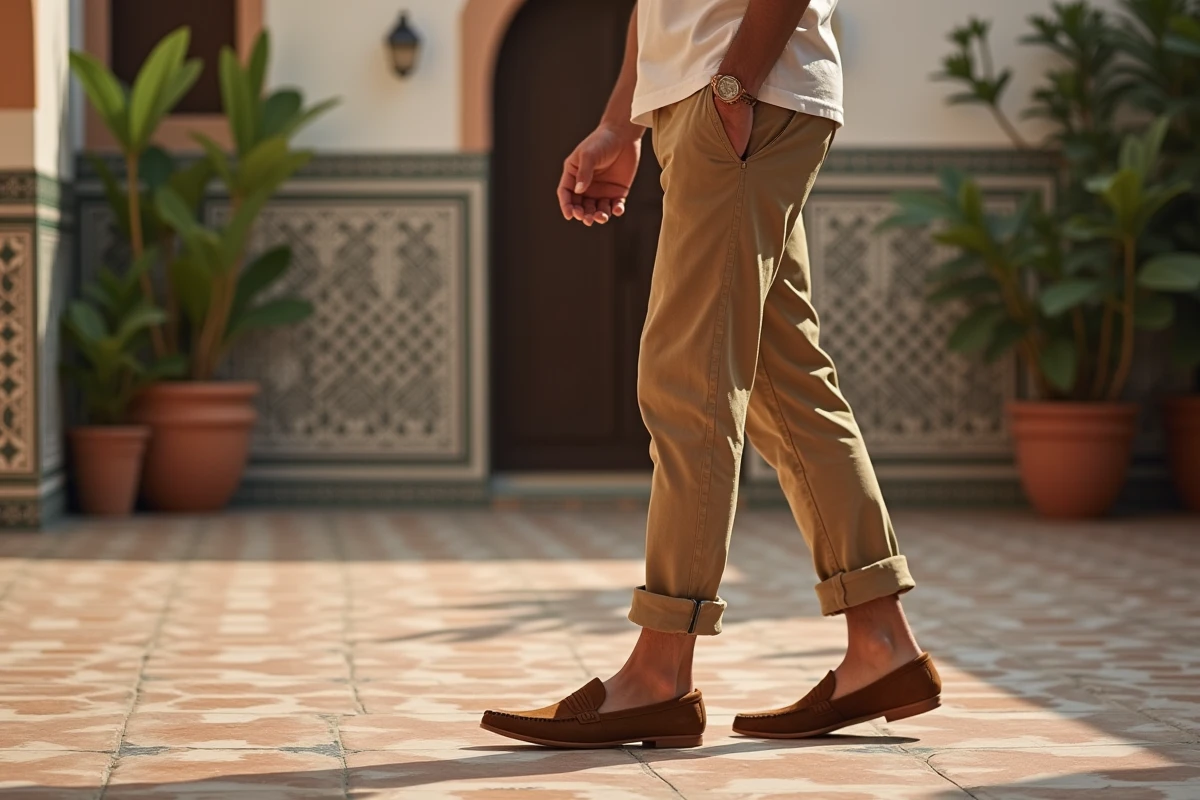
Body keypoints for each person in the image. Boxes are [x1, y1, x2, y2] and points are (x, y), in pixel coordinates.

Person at [481, 0, 941, 748]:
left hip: (742, 95)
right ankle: (881, 643)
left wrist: (733, 88)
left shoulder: (736, 91)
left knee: (688, 380)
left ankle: (659, 670)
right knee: (780, 382)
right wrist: (620, 124)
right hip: (725, 98)